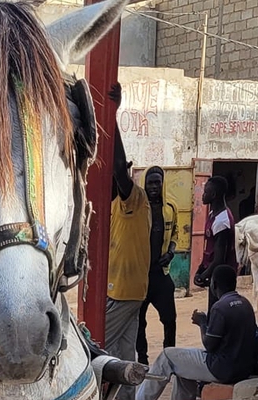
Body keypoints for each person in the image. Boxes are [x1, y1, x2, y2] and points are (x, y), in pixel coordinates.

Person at [135, 265, 257, 400]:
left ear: (214, 284)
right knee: (182, 364)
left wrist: (202, 323)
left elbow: (210, 345)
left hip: (220, 368)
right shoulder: (246, 304)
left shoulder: (220, 307)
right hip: (241, 368)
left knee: (167, 355)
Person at [105, 82, 152, 375]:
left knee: (96, 346)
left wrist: (111, 115)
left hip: (123, 291)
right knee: (123, 355)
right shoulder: (112, 207)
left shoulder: (134, 199)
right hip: (126, 291)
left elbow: (119, 166)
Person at [136, 166, 178, 365]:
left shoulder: (170, 208)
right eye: (150, 182)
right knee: (138, 322)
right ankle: (142, 361)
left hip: (161, 275)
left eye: (157, 182)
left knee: (169, 320)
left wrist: (170, 252)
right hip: (141, 276)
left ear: (162, 184)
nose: (153, 187)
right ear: (144, 184)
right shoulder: (138, 209)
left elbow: (176, 233)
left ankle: (169, 358)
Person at [194, 176, 236, 311]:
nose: (203, 195)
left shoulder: (221, 221)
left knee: (217, 312)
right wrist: (201, 269)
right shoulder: (214, 214)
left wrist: (203, 276)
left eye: (205, 192)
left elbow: (219, 259)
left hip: (221, 277)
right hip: (215, 274)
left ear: (213, 195)